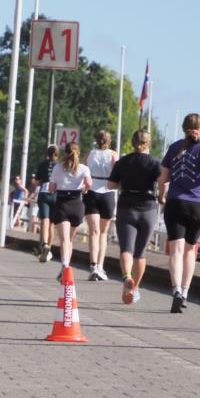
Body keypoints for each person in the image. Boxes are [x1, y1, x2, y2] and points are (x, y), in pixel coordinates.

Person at [158, 113, 200, 313]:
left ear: (183, 128)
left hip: (175, 203)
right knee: (190, 251)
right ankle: (185, 292)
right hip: (198, 205)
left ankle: (175, 290)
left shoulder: (174, 148)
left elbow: (163, 178)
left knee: (176, 250)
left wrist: (162, 195)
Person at [107, 130, 161, 304]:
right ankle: (135, 288)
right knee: (140, 252)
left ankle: (127, 277)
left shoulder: (123, 162)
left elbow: (110, 185)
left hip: (127, 206)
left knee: (126, 249)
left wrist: (124, 183)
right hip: (148, 207)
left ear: (132, 142)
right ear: (149, 143)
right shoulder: (155, 163)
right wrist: (162, 196)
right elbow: (163, 182)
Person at [48, 142, 92, 282]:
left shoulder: (57, 167)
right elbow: (89, 184)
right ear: (78, 152)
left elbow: (51, 188)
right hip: (77, 204)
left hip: (62, 204)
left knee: (64, 240)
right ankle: (66, 265)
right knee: (70, 240)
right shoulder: (84, 168)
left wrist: (55, 188)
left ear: (65, 153)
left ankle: (65, 265)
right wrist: (84, 189)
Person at [84, 130, 118, 281]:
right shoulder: (113, 155)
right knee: (103, 233)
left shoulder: (89, 154)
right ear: (109, 141)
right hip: (107, 192)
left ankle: (93, 265)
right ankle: (100, 266)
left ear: (96, 140)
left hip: (91, 192)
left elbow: (82, 170)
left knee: (93, 232)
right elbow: (118, 173)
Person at [32, 144, 59, 261]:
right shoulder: (60, 166)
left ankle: (44, 245)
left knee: (45, 221)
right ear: (57, 154)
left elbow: (36, 182)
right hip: (56, 194)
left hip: (44, 193)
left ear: (47, 154)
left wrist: (34, 182)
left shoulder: (42, 165)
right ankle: (49, 250)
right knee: (52, 225)